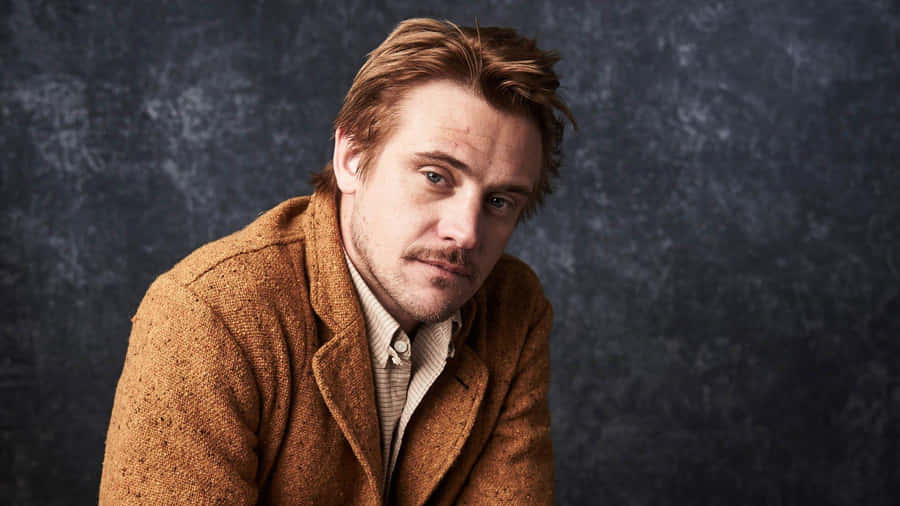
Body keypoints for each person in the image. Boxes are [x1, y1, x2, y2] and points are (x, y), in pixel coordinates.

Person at [99, 17, 574, 505]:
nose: (466, 232)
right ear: (351, 157)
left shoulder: (513, 308)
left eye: (499, 202)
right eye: (436, 176)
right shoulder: (210, 315)